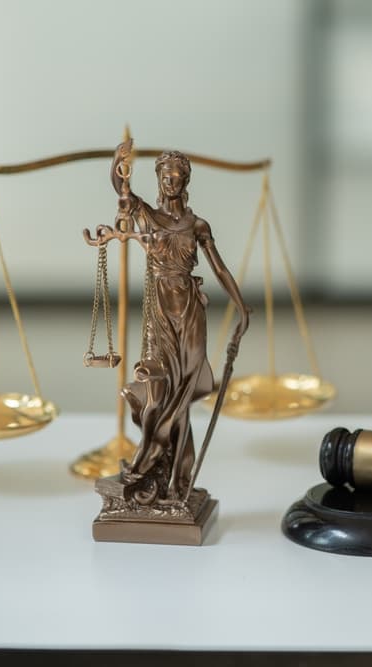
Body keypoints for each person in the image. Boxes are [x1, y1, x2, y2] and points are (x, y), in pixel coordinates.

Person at [86, 140, 249, 507]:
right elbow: (121, 189)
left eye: (177, 177)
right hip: (160, 315)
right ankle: (149, 466)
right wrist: (118, 162)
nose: (171, 182)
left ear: (185, 181)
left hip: (190, 314)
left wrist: (242, 308)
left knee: (183, 395)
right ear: (158, 179)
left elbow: (219, 268)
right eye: (165, 176)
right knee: (159, 393)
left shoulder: (198, 225)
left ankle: (176, 479)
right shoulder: (146, 216)